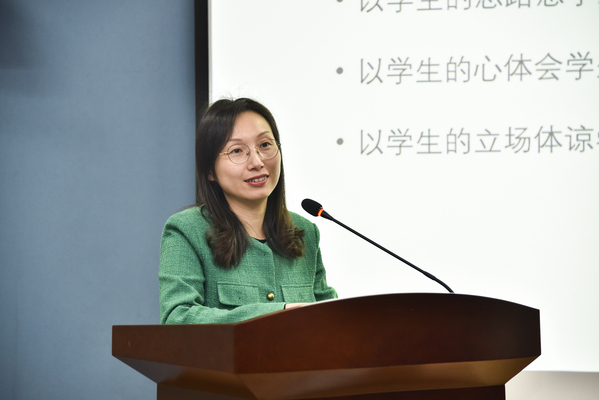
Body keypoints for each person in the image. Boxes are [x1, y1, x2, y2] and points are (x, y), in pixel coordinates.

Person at [159, 98, 337, 324]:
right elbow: (177, 318)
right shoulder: (187, 231)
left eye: (265, 145)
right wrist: (278, 313)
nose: (257, 162)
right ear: (210, 170)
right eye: (237, 150)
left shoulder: (305, 232)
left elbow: (332, 319)